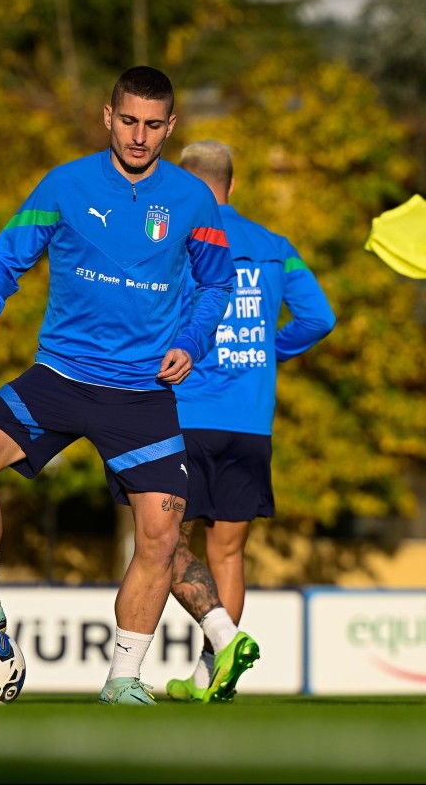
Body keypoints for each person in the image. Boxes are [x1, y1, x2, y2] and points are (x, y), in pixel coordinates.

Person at [0, 66, 241, 706]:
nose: (139, 136)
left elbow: (215, 285)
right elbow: (12, 249)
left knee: (160, 533)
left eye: (153, 125)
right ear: (107, 116)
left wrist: (191, 343)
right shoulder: (64, 184)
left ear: (171, 127)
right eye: (128, 121)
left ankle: (123, 680)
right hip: (61, 377)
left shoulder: (193, 201)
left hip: (141, 394)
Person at [166, 140, 336, 702]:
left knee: (162, 543)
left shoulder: (177, 240)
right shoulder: (275, 246)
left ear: (184, 185)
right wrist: (271, 348)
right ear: (232, 186)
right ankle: (206, 676)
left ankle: (133, 671)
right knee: (229, 553)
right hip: (250, 420)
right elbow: (319, 317)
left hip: (186, 411)